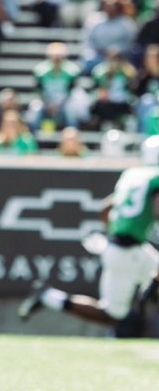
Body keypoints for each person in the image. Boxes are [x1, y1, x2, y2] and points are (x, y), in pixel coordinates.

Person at [20, 135, 159, 334]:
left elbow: (105, 209)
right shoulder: (154, 178)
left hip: (123, 247)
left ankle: (48, 296)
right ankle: (50, 297)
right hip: (128, 251)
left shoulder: (132, 175)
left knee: (115, 311)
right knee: (113, 314)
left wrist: (118, 229)